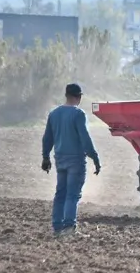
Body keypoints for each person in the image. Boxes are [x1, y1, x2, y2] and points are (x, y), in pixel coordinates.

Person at [41, 82, 101, 237]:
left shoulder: (54, 114)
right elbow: (85, 138)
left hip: (60, 159)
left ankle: (57, 227)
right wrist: (94, 157)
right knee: (72, 194)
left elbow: (47, 138)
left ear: (66, 96)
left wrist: (45, 157)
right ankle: (69, 227)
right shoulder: (78, 114)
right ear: (78, 97)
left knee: (60, 193)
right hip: (76, 160)